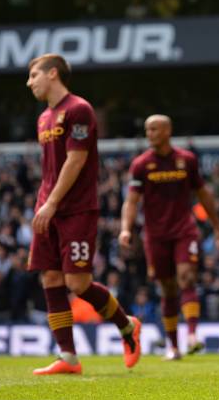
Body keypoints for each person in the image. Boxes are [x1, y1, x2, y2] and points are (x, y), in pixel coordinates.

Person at [26, 54, 141, 375]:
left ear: (52, 74)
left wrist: (51, 204)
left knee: (78, 283)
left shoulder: (79, 109)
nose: (29, 82)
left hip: (76, 209)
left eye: (33, 75)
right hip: (47, 207)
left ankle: (127, 326)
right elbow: (49, 169)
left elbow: (76, 161)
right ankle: (69, 357)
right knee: (49, 277)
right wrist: (43, 204)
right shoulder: (43, 118)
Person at [119, 114, 219, 360]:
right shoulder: (140, 164)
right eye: (147, 130)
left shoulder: (186, 160)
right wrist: (126, 228)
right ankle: (174, 346)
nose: (150, 134)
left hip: (184, 230)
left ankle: (192, 335)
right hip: (155, 236)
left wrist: (218, 228)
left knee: (186, 277)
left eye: (154, 129)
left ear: (167, 131)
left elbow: (203, 194)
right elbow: (131, 201)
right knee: (167, 289)